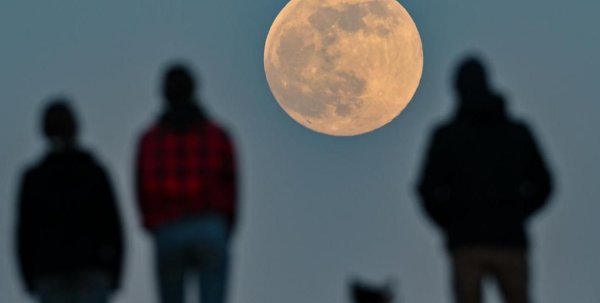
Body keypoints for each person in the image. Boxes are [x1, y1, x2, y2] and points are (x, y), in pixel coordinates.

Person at [416, 56, 552, 303]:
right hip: (503, 239)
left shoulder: (447, 136)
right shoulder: (515, 133)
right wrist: (517, 213)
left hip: (471, 242)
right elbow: (544, 184)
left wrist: (451, 221)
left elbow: (426, 190)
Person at [135, 63, 237, 303]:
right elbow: (231, 184)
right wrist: (225, 224)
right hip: (209, 226)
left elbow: (143, 186)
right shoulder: (217, 135)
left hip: (169, 227)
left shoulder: (151, 140)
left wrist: (153, 224)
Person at [15, 100, 124, 303]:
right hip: (92, 267)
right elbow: (113, 226)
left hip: (49, 271)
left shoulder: (34, 178)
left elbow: (24, 233)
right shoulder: (94, 172)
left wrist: (28, 278)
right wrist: (115, 272)